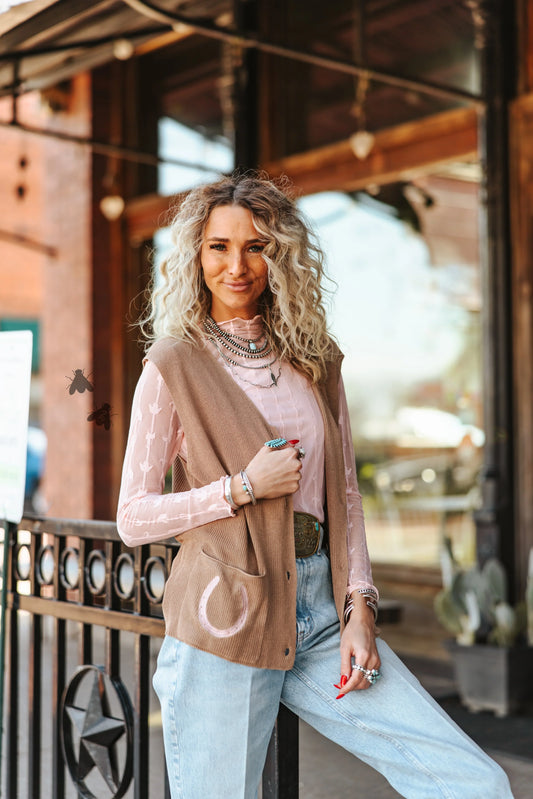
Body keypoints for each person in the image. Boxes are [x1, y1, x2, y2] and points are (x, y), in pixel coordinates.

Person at [117, 174, 514, 799]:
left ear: (281, 255)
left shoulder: (315, 359)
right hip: (226, 615)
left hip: (322, 616)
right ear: (196, 254)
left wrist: (361, 609)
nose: (237, 265)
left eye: (257, 246)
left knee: (473, 782)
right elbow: (133, 517)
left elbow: (347, 495)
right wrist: (241, 487)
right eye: (219, 246)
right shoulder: (174, 364)